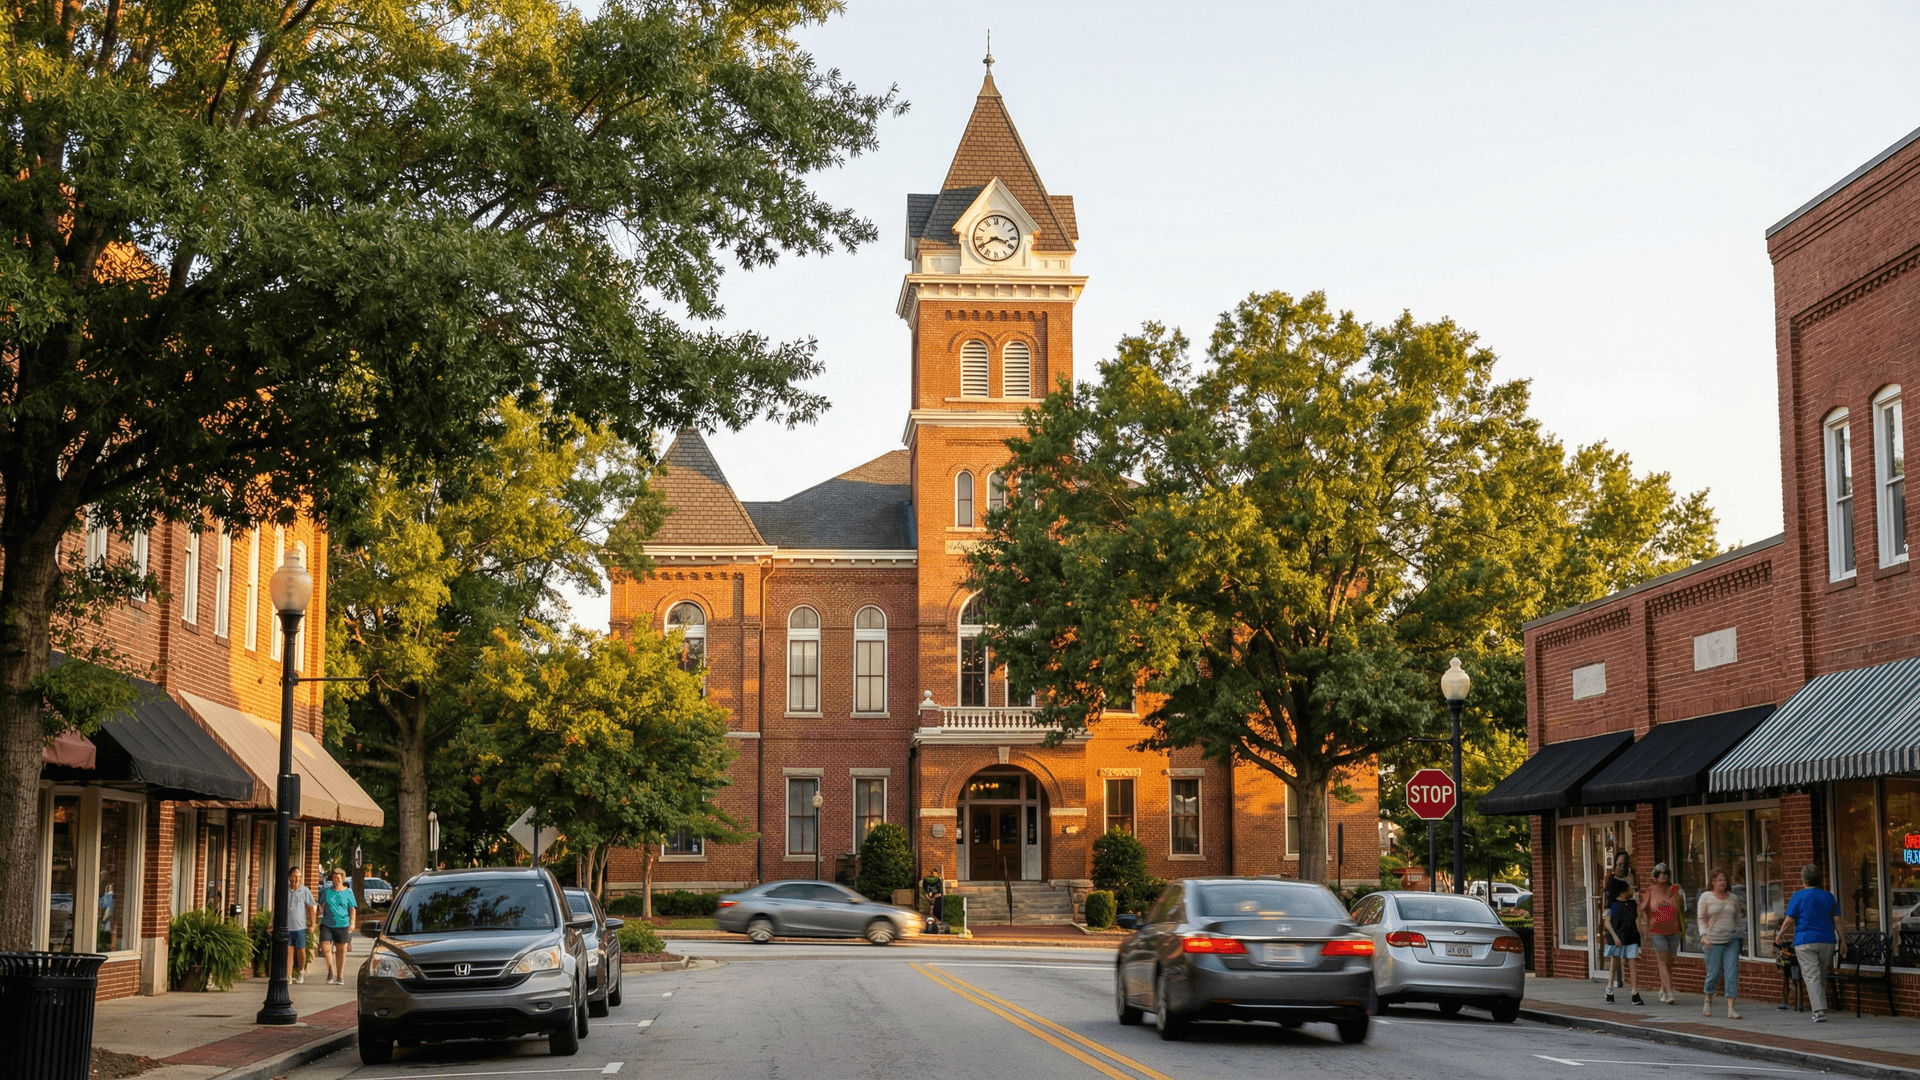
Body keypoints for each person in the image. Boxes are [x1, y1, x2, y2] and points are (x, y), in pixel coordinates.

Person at [1775, 863, 1843, 1023]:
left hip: (1804, 941)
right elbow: (1838, 921)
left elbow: (1789, 920)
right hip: (1827, 941)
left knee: (1812, 976)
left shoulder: (1798, 896)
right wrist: (1843, 942)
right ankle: (1820, 1006)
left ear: (1803, 879)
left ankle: (1818, 1011)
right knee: (1821, 975)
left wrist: (1780, 934)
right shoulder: (1829, 897)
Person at [1698, 868, 1746, 1019]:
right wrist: (1704, 935)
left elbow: (1739, 918)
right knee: (1714, 974)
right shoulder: (1706, 897)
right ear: (1712, 882)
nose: (1723, 882)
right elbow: (1701, 919)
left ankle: (1731, 1009)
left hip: (1731, 940)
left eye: (1724, 880)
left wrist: (1740, 933)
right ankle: (1708, 1000)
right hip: (1713, 941)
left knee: (1732, 973)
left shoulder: (1733, 898)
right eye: (1719, 880)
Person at [1600, 851, 1643, 1005]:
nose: (1620, 867)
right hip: (1617, 932)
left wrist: (1636, 902)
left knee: (1632, 962)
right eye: (1618, 864)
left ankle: (1634, 992)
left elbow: (1637, 915)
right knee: (1615, 961)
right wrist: (1614, 936)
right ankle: (1609, 989)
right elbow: (1607, 918)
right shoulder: (1612, 894)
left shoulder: (1630, 899)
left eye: (1623, 864)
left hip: (1630, 932)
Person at [1642, 862, 1685, 1005]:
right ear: (1655, 876)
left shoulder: (1675, 889)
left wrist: (1669, 902)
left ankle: (1663, 988)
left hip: (1673, 929)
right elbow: (1643, 907)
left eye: (1665, 873)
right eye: (1660, 874)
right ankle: (1670, 991)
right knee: (1662, 959)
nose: (1663, 876)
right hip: (1656, 930)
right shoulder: (1651, 890)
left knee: (1669, 961)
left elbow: (1677, 906)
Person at [318, 868, 358, 985]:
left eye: (338, 878)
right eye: (334, 878)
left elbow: (352, 909)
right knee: (326, 947)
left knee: (341, 951)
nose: (336, 880)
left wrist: (352, 922)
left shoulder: (348, 892)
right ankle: (331, 970)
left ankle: (340, 975)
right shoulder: (327, 892)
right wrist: (316, 914)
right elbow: (320, 905)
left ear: (343, 878)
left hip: (342, 924)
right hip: (327, 924)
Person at [285, 868, 316, 985]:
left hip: (300, 927)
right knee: (288, 952)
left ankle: (300, 971)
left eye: (299, 876)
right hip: (287, 927)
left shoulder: (305, 890)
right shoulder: (285, 891)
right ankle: (288, 975)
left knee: (301, 952)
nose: (297, 879)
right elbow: (276, 909)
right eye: (294, 876)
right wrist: (271, 923)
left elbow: (311, 908)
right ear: (289, 878)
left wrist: (312, 924)